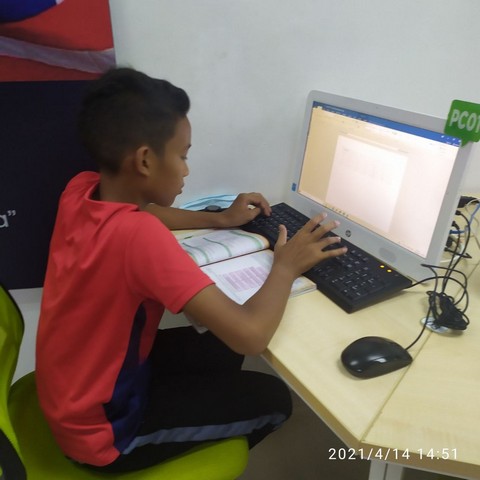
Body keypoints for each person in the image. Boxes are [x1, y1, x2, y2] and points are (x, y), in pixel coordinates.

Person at [36, 67, 347, 473]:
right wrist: (286, 267)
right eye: (182, 156)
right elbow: (251, 337)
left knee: (217, 345)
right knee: (273, 399)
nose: (186, 169)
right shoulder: (138, 237)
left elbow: (147, 211)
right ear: (145, 160)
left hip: (71, 394)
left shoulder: (80, 190)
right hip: (102, 434)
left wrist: (219, 219)